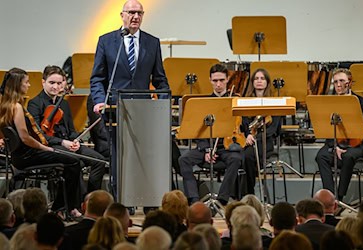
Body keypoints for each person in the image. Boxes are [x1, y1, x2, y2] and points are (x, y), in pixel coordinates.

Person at [90, 0, 170, 197]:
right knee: (120, 157)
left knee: (143, 157)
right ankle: (121, 200)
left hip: (144, 110)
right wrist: (100, 100)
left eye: (140, 13)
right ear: (122, 15)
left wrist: (162, 101)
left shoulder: (152, 42)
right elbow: (97, 78)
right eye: (132, 12)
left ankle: (145, 198)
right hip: (115, 109)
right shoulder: (106, 41)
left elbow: (160, 79)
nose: (136, 17)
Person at [0, 68, 81, 214]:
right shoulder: (17, 107)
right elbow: (25, 138)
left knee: (71, 160)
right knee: (73, 161)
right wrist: (45, 148)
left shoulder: (6, 104)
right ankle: (60, 207)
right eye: (26, 82)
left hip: (19, 156)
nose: (29, 85)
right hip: (27, 156)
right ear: (18, 84)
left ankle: (62, 207)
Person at [27, 65, 106, 196]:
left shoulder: (63, 103)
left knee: (99, 161)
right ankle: (72, 204)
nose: (56, 87)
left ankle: (90, 200)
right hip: (50, 146)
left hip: (68, 145)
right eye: (51, 83)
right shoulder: (35, 103)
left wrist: (76, 140)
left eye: (59, 83)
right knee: (76, 162)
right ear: (43, 82)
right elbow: (38, 135)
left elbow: (71, 130)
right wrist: (63, 142)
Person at [179, 63, 242, 206]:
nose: (218, 84)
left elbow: (242, 126)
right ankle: (194, 199)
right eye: (215, 81)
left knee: (236, 158)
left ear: (227, 80)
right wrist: (206, 150)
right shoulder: (204, 103)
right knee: (184, 159)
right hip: (206, 148)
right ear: (210, 80)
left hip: (226, 147)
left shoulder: (235, 101)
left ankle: (222, 199)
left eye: (221, 80)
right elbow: (199, 131)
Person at [315, 68, 363, 201]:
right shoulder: (330, 103)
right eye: (335, 82)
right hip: (336, 143)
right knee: (321, 156)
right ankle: (330, 197)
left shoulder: (362, 102)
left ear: (349, 83)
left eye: (342, 81)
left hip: (356, 145)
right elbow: (327, 129)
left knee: (348, 156)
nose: (338, 85)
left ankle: (339, 197)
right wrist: (335, 146)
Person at [241, 68, 281, 196]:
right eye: (256, 78)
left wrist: (255, 137)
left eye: (262, 78)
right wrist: (248, 135)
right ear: (252, 82)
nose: (259, 81)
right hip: (248, 140)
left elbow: (273, 129)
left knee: (247, 156)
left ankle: (249, 193)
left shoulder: (274, 103)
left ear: (267, 82)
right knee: (241, 157)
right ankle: (243, 193)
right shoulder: (245, 102)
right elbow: (243, 123)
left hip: (265, 142)